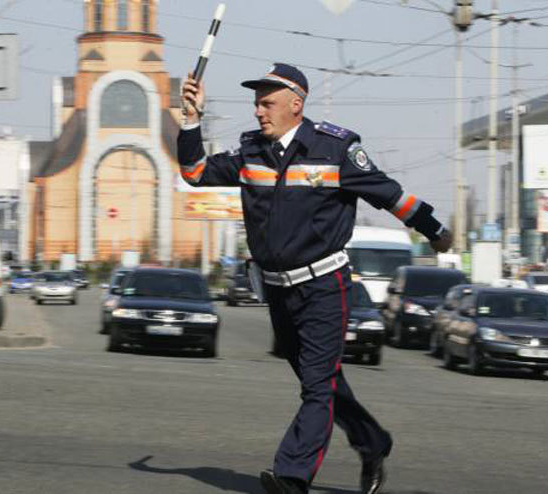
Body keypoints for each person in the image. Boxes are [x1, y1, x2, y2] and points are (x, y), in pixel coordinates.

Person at [179, 63, 452, 494]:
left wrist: (434, 229)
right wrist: (191, 118)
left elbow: (388, 193)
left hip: (326, 287)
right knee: (318, 381)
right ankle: (372, 442)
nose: (257, 112)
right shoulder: (250, 153)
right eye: (256, 103)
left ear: (296, 104)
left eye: (266, 103)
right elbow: (194, 173)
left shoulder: (335, 149)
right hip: (277, 290)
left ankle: (292, 476)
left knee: (317, 387)